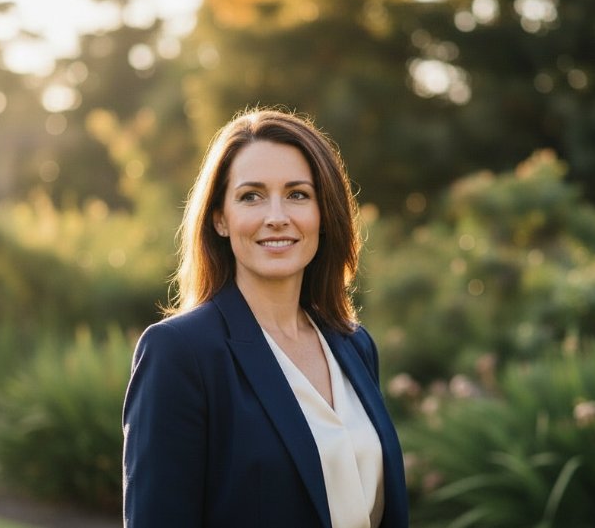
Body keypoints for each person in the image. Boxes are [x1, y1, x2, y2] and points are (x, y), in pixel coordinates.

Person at [122, 108, 409, 528]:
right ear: (220, 218)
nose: (277, 216)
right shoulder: (180, 352)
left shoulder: (354, 345)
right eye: (251, 196)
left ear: (323, 214)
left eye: (297, 194)